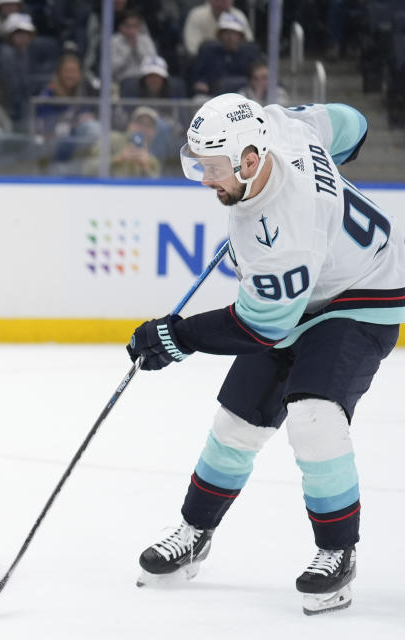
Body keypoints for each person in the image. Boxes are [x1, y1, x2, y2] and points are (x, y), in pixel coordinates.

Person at [127, 94, 405, 615]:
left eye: (213, 169)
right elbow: (354, 125)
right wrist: (324, 185)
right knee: (237, 422)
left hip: (362, 296)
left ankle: (336, 550)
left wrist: (176, 338)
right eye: (200, 165)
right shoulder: (279, 124)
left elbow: (260, 327)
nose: (206, 179)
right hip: (308, 281)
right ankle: (195, 530)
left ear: (250, 160)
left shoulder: (287, 233)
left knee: (314, 416)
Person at [189, 12, 260, 98]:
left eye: (234, 33)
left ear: (241, 36)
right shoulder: (208, 52)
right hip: (213, 98)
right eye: (226, 33)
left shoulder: (250, 55)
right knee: (198, 100)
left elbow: (258, 76)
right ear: (219, 35)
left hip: (244, 98)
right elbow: (199, 77)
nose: (230, 37)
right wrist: (201, 82)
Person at [183, 0, 253, 57]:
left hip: (235, 61)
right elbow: (192, 48)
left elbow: (249, 44)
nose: (220, 4)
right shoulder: (197, 15)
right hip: (206, 62)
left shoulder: (238, 15)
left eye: (224, 1)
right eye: (217, 0)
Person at [110, 10, 159, 83]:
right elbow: (111, 68)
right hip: (122, 81)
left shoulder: (146, 40)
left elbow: (153, 64)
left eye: (135, 26)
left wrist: (136, 48)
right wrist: (129, 50)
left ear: (140, 27)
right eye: (128, 26)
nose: (132, 30)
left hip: (144, 81)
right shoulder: (114, 41)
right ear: (121, 27)